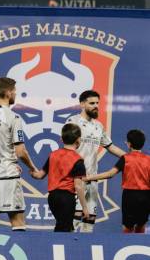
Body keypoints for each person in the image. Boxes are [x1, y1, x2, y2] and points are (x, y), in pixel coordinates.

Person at [0, 77, 44, 231]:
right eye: (14, 91)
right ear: (8, 93)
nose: (15, 94)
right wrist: (33, 168)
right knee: (18, 222)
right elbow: (21, 152)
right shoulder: (13, 117)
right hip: (7, 175)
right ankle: (21, 255)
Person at [66, 90, 126, 232]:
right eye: (91, 103)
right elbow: (66, 150)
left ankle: (85, 253)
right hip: (76, 180)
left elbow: (110, 146)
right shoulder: (72, 122)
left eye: (97, 103)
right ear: (82, 104)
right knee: (72, 224)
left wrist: (130, 158)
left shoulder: (98, 126)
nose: (96, 106)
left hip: (92, 179)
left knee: (89, 223)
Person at [86, 129, 150, 233]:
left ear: (129, 144)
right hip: (146, 196)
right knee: (141, 225)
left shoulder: (126, 158)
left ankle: (127, 245)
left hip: (130, 197)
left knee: (127, 227)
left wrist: (88, 178)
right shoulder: (148, 159)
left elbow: (110, 174)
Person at [31, 123, 89, 232]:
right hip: (66, 198)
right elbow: (78, 186)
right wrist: (85, 207)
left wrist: (31, 171)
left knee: (62, 226)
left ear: (61, 139)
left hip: (52, 198)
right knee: (64, 229)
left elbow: (39, 175)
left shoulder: (53, 155)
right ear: (79, 140)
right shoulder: (78, 160)